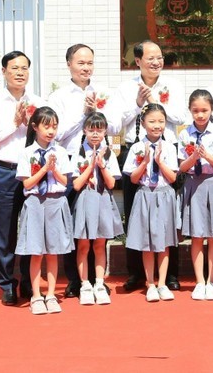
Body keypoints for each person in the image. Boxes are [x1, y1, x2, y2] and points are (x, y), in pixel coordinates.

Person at [115, 41, 186, 292]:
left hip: (167, 152)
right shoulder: (126, 87)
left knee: (169, 214)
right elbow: (116, 123)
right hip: (135, 150)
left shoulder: (173, 86)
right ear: (138, 61)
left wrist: (156, 102)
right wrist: (137, 104)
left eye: (160, 57)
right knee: (135, 214)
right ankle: (136, 273)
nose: (156, 62)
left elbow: (181, 118)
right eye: (150, 58)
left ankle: (170, 275)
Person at [48, 44, 111, 298]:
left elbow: (114, 125)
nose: (86, 68)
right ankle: (75, 280)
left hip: (99, 159)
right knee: (73, 223)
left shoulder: (102, 92)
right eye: (80, 63)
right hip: (71, 161)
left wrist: (99, 113)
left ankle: (98, 279)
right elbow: (58, 133)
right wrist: (82, 114)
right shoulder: (59, 97)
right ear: (69, 65)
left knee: (96, 226)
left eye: (90, 63)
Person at [0, 50, 44, 305]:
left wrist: (32, 124)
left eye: (24, 68)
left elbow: (50, 135)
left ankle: (29, 281)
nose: (20, 73)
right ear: (4, 71)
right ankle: (7, 284)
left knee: (31, 228)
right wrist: (14, 122)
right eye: (14, 68)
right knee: (5, 230)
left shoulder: (38, 101)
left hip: (33, 173)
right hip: (6, 170)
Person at [15, 106, 73, 315]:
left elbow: (66, 182)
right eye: (46, 126)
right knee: (36, 252)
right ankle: (36, 296)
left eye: (54, 127)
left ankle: (50, 295)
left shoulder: (61, 152)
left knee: (52, 252)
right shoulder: (26, 153)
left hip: (55, 202)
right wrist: (43, 169)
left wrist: (54, 169)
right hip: (35, 203)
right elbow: (27, 184)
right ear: (35, 127)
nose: (51, 131)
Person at [123, 104, 180, 303]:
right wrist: (146, 162)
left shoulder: (171, 147)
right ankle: (150, 283)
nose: (157, 126)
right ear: (143, 123)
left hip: (164, 195)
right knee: (147, 243)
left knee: (164, 242)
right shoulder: (136, 148)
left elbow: (173, 178)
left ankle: (163, 283)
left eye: (161, 121)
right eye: (152, 121)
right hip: (145, 194)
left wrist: (159, 161)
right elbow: (132, 178)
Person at [71, 112, 123, 306]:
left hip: (103, 201)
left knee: (100, 244)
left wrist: (101, 166)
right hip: (85, 200)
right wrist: (89, 166)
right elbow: (76, 185)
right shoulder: (78, 152)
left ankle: (100, 284)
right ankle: (85, 284)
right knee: (83, 245)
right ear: (84, 131)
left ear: (104, 132)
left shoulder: (109, 154)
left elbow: (111, 184)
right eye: (91, 130)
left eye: (99, 130)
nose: (95, 134)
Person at [178, 90, 213, 301]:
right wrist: (194, 157)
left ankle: (212, 281)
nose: (200, 115)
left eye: (204, 110)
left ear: (211, 109)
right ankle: (199, 282)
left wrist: (206, 156)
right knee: (197, 235)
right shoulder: (184, 134)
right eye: (195, 110)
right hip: (193, 184)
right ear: (190, 110)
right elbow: (181, 166)